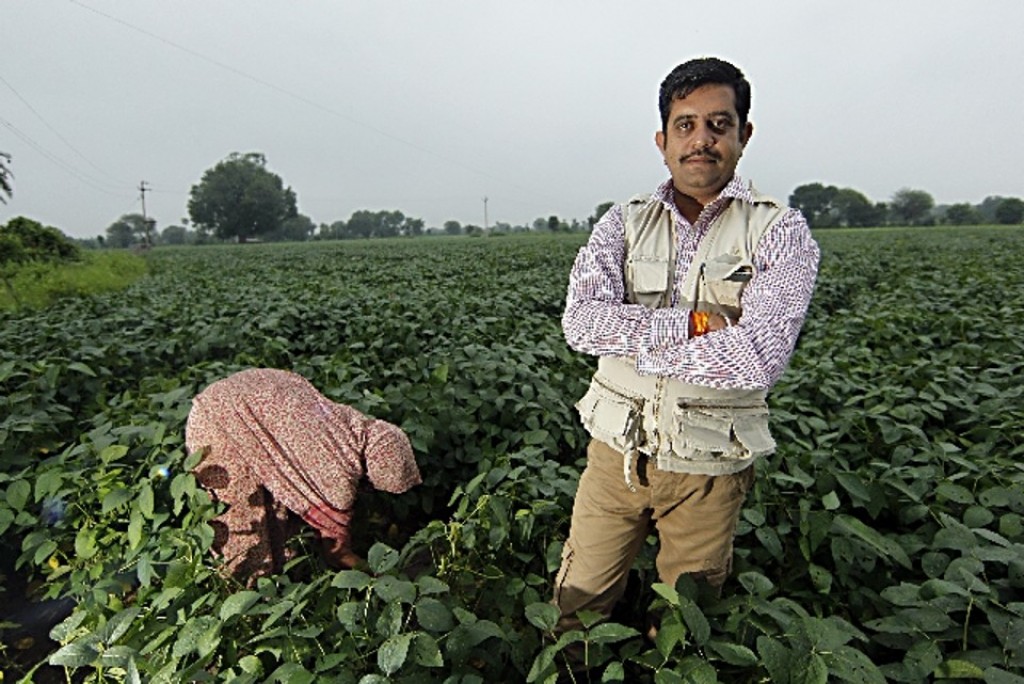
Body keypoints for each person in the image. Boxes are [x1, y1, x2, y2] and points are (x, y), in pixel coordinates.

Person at [553, 57, 820, 635]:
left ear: (743, 136)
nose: (701, 140)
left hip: (709, 467)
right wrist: (699, 325)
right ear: (662, 138)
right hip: (614, 455)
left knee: (682, 620)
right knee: (578, 604)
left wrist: (635, 336)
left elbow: (756, 357)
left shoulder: (781, 231)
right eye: (686, 125)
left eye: (718, 125)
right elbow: (581, 324)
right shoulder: (620, 224)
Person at [185, 368, 422, 581]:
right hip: (218, 425)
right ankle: (244, 606)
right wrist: (386, 578)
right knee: (246, 526)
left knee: (279, 507)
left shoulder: (351, 426)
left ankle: (280, 583)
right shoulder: (336, 476)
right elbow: (337, 552)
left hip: (237, 400)